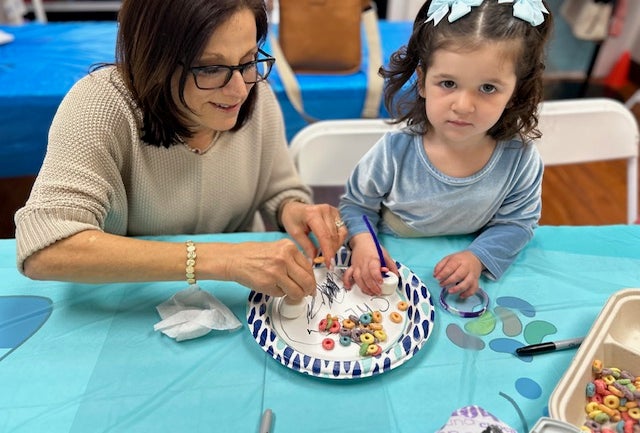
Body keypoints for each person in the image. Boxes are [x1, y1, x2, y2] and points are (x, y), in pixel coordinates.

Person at [14, 0, 348, 301]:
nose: (238, 90)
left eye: (248, 61)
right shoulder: (101, 106)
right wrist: (223, 259)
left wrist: (293, 209)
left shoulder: (257, 96)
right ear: (154, 61)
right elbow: (46, 249)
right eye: (210, 68)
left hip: (238, 301)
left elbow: (278, 189)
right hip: (129, 303)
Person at [339, 0, 553, 298]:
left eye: (488, 88)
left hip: (464, 272)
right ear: (423, 81)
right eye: (448, 83)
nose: (463, 106)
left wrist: (478, 257)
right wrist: (363, 242)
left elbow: (517, 223)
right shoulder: (394, 150)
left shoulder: (521, 160)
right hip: (392, 262)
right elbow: (357, 206)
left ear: (515, 93)